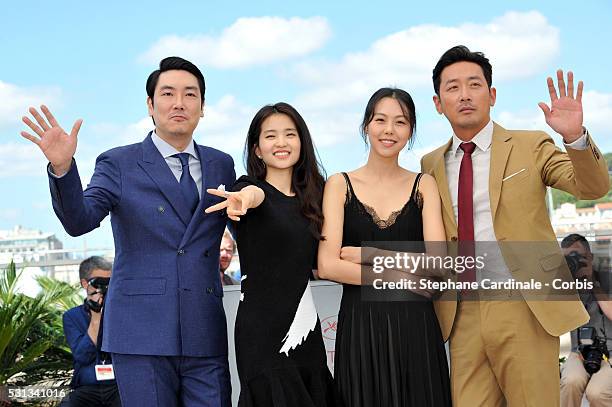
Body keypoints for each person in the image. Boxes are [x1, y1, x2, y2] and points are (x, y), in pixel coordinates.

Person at [21, 57, 235, 406]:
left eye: (190, 94)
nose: (179, 103)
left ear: (203, 106)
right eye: (168, 93)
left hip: (204, 327)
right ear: (151, 105)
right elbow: (80, 221)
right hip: (140, 331)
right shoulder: (119, 162)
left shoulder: (221, 163)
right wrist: (62, 168)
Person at [420, 45, 610, 406]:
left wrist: (575, 138)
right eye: (452, 87)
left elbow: (592, 187)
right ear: (438, 102)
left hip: (524, 305)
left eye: (474, 84)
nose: (464, 95)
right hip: (461, 314)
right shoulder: (430, 163)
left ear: (491, 95)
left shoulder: (530, 145)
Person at [317, 88, 452, 407]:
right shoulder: (338, 184)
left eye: (400, 122)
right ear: (367, 126)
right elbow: (328, 266)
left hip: (416, 327)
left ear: (411, 131)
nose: (389, 130)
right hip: (361, 328)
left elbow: (438, 268)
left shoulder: (424, 185)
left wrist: (367, 256)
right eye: (380, 120)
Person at [206, 102, 339, 406]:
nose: (281, 143)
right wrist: (241, 200)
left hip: (305, 329)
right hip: (262, 333)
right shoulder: (249, 188)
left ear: (302, 142)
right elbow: (254, 196)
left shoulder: (317, 197)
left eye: (290, 134)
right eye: (270, 136)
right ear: (257, 149)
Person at [560, 234, 612, 407]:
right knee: (570, 382)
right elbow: (556, 322)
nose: (572, 262)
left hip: (610, 352)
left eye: (577, 257)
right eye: (568, 258)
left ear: (590, 257)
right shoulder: (565, 285)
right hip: (579, 352)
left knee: (597, 392)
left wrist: (592, 282)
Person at [63, 256, 120, 407]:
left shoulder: (121, 313)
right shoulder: (72, 317)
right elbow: (82, 356)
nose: (104, 288)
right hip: (86, 387)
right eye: (99, 282)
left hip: (118, 386)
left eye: (108, 283)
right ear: (84, 284)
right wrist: (96, 317)